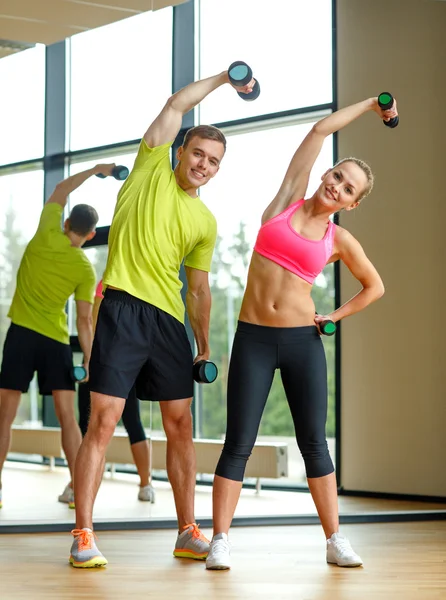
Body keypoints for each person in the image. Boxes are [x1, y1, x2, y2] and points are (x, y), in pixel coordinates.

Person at [69, 68, 256, 568]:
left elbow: (198, 288)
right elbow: (176, 105)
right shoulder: (150, 168)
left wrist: (204, 344)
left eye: (214, 161)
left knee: (180, 424)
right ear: (178, 151)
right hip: (124, 309)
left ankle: (187, 531)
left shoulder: (205, 221)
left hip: (170, 325)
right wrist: (224, 80)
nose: (204, 164)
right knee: (103, 421)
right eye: (198, 153)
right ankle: (83, 533)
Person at [205, 96, 397, 570]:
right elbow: (318, 130)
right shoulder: (286, 200)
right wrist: (373, 104)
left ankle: (335, 540)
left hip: (300, 345)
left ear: (352, 202)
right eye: (337, 176)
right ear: (326, 175)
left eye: (348, 188)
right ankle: (220, 540)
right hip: (252, 338)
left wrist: (334, 316)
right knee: (238, 442)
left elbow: (375, 287)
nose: (337, 187)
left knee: (314, 442)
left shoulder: (339, 240)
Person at [0, 164, 114, 509]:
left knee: (4, 416)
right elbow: (83, 321)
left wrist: (96, 170)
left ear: (66, 222)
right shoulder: (84, 267)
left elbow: (62, 188)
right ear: (91, 234)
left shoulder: (47, 230)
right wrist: (91, 360)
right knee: (68, 418)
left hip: (21, 335)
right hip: (54, 342)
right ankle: (80, 489)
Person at [77, 280, 155, 503]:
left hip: (104, 363)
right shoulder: (131, 281)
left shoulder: (108, 283)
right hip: (124, 364)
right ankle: (145, 484)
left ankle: (78, 487)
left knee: (92, 429)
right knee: (131, 424)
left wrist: (89, 360)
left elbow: (91, 322)